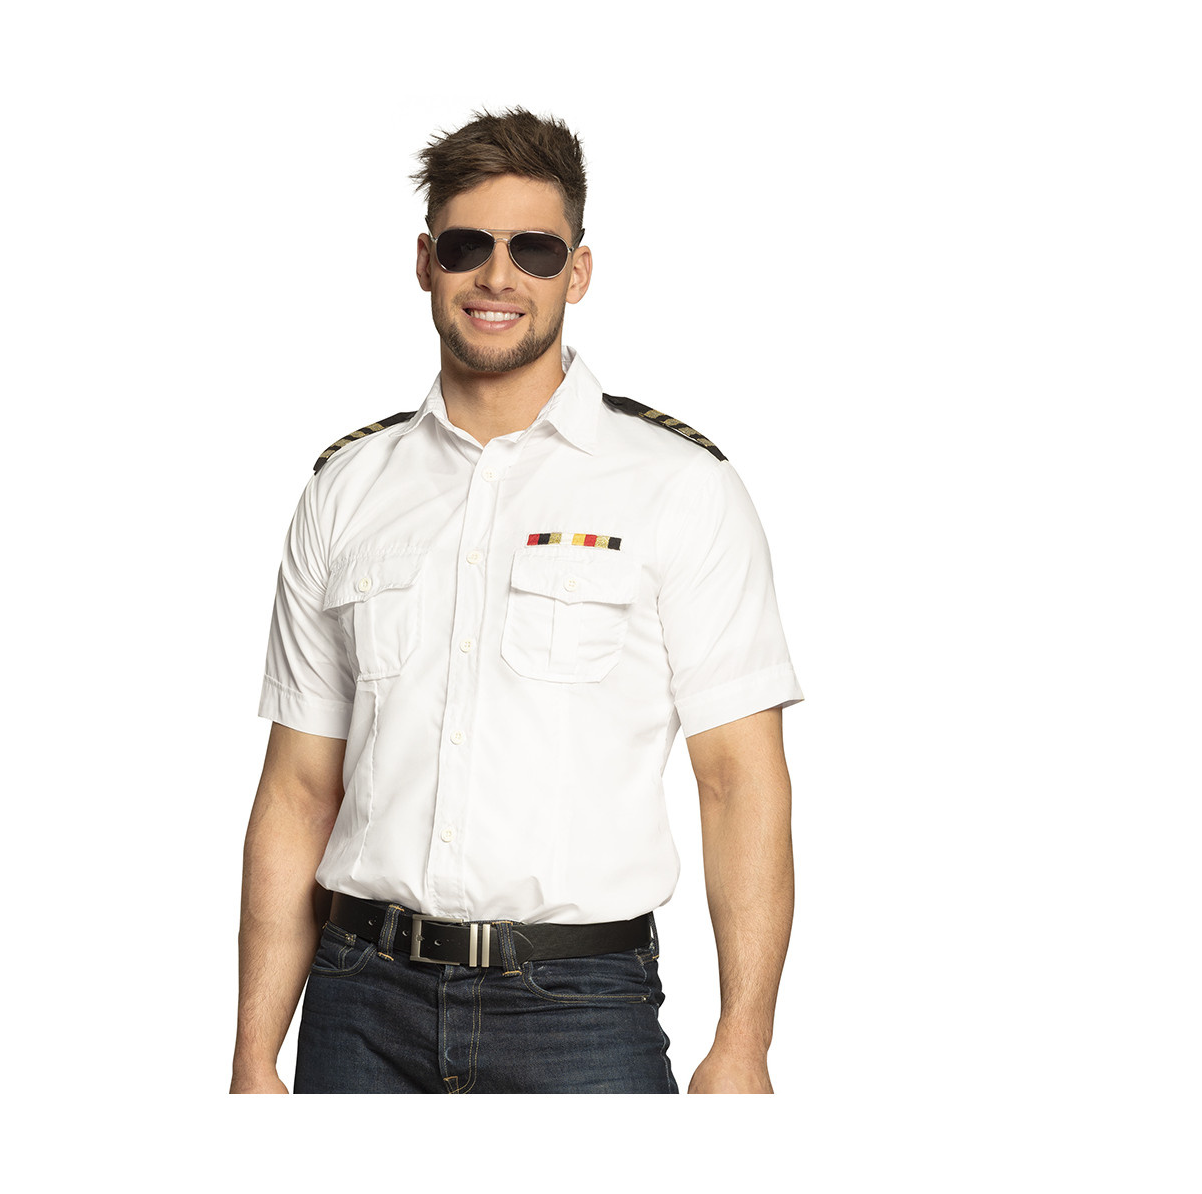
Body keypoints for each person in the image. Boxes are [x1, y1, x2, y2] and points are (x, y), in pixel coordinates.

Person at [229, 106, 805, 1094]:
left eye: (533, 250)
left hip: (579, 1010)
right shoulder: (346, 490)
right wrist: (252, 1057)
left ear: (576, 272)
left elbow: (739, 783)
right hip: (358, 1005)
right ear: (426, 262)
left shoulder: (679, 487)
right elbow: (297, 791)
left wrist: (743, 1042)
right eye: (468, 246)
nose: (498, 276)